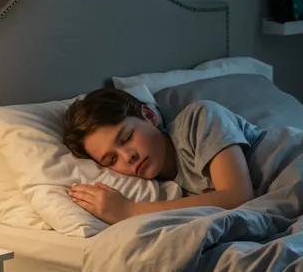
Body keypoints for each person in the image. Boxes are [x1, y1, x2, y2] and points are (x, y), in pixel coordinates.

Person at [62, 88, 263, 225]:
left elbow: (239, 197)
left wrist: (129, 211)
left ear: (150, 116)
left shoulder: (199, 118)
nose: (127, 156)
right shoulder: (167, 191)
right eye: (112, 160)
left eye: (127, 137)